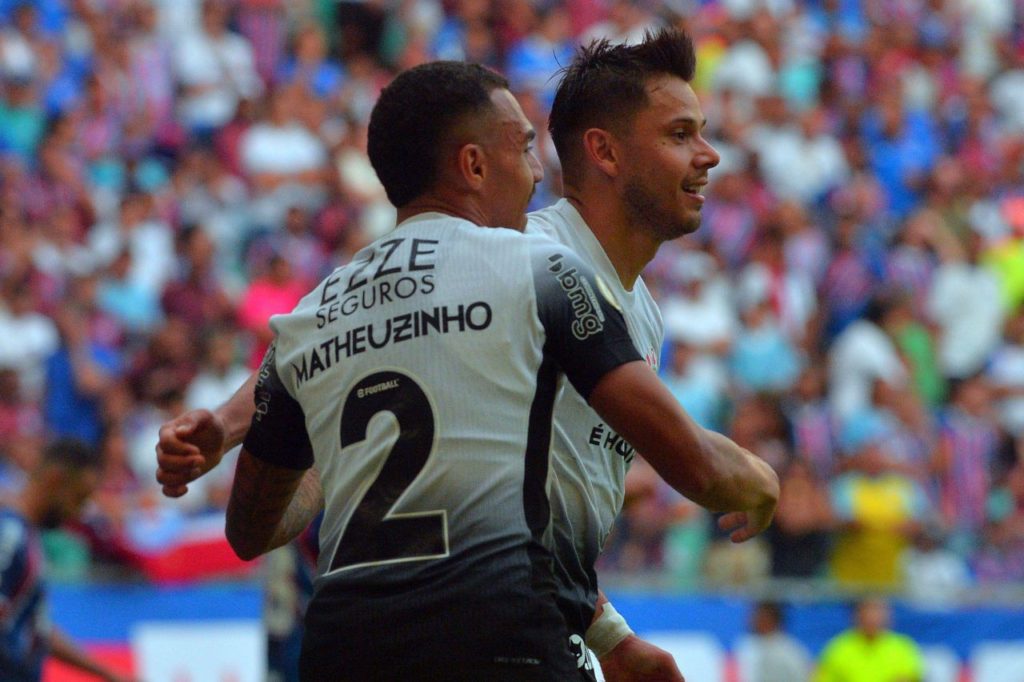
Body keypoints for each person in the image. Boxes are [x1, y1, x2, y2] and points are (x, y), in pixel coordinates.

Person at [157, 32, 778, 681]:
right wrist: (758, 483)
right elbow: (693, 464)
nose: (709, 156)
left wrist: (609, 634)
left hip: (353, 641)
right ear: (604, 151)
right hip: (500, 639)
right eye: (681, 134)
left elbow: (318, 339)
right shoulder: (532, 260)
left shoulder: (631, 304)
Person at [0, 438, 135, 682]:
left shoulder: (28, 539)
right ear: (55, 479)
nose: (78, 512)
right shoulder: (10, 535)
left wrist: (110, 674)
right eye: (79, 498)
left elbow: (36, 629)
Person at [815, 597, 924, 682]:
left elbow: (908, 678)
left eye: (878, 611)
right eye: (867, 611)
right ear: (856, 615)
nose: (873, 617)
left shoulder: (903, 647)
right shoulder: (837, 647)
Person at [735, 601, 812, 682]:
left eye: (759, 616)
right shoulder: (747, 645)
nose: (752, 620)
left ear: (771, 619)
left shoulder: (789, 651)